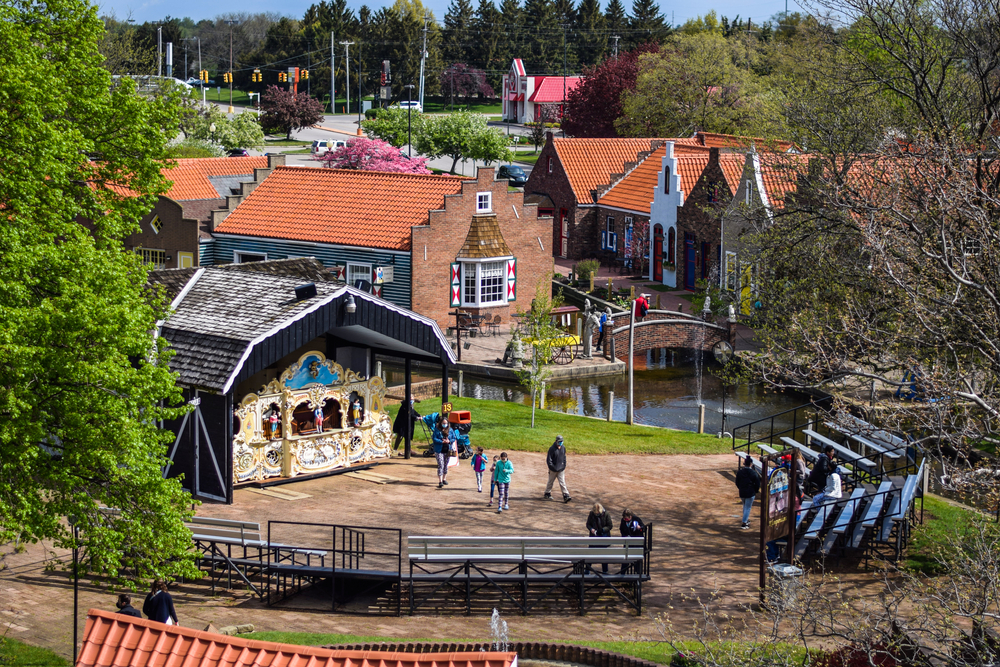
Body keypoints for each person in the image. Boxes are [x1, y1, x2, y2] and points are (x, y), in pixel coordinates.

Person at [431, 414, 458, 488]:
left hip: (447, 450)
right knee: (441, 465)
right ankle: (440, 481)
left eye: (446, 423)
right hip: (439, 450)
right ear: (440, 423)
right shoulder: (437, 430)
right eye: (443, 423)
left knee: (446, 465)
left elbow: (454, 438)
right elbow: (434, 438)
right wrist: (441, 441)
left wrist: (449, 441)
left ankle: (444, 479)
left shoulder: (450, 430)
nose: (444, 424)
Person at [586, 503, 614, 573]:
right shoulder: (591, 514)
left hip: (603, 537)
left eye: (597, 513)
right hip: (593, 537)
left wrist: (602, 530)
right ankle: (587, 570)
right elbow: (588, 524)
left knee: (604, 555)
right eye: (595, 513)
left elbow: (610, 526)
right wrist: (591, 529)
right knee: (590, 554)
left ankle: (605, 571)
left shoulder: (606, 514)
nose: (596, 514)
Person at [735, 455, 761, 529]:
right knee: (747, 507)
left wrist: (740, 488)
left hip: (742, 492)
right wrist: (755, 491)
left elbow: (737, 482)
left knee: (745, 506)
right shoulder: (753, 473)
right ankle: (744, 523)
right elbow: (757, 483)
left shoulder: (740, 472)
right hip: (750, 492)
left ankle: (745, 520)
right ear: (751, 464)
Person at [543, 435, 572, 503]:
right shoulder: (552, 449)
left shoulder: (563, 448)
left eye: (562, 441)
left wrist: (563, 466)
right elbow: (549, 460)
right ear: (556, 441)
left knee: (562, 483)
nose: (560, 443)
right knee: (550, 482)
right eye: (559, 442)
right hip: (553, 470)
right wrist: (552, 467)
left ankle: (566, 495)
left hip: (561, 469)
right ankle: (547, 493)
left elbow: (564, 457)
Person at [618, 509, 645, 573]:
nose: (625, 520)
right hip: (627, 543)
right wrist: (624, 536)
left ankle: (638, 573)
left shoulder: (636, 519)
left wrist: (640, 528)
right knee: (625, 559)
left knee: (637, 560)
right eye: (624, 518)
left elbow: (643, 528)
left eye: (626, 518)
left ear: (630, 516)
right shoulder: (623, 521)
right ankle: (623, 573)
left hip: (636, 544)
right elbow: (621, 529)